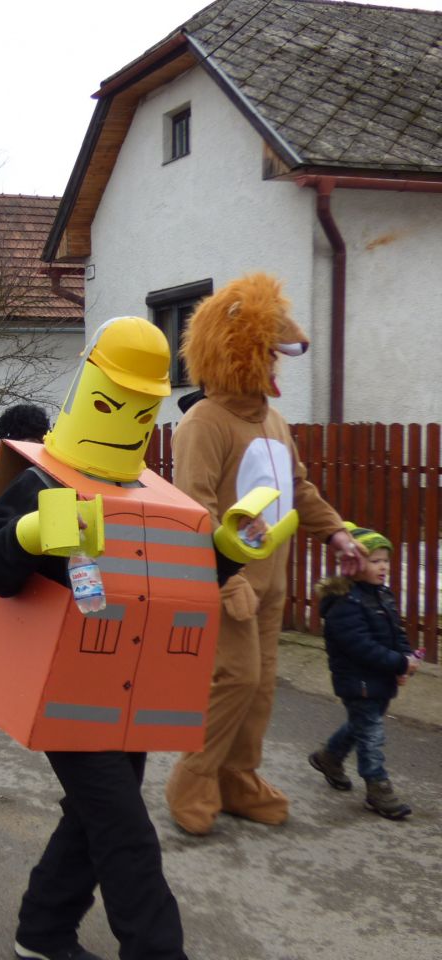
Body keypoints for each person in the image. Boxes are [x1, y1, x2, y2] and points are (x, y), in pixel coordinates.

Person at [0, 316, 292, 960]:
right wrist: (29, 535)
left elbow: (176, 580)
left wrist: (227, 551)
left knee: (95, 815)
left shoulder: (151, 493)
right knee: (127, 834)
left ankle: (42, 931)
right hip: (63, 692)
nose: (124, 416)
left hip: (124, 687)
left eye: (140, 406)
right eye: (111, 401)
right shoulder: (42, 478)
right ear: (87, 387)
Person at [164, 274, 364, 837]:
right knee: (236, 678)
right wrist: (226, 580)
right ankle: (193, 777)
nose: (277, 364)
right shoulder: (204, 422)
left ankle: (238, 776)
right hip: (231, 584)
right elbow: (195, 508)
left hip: (273, 582)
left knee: (262, 683)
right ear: (238, 352)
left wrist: (336, 534)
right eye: (269, 354)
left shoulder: (272, 420)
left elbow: (297, 488)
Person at [308, 523, 417, 820]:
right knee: (371, 734)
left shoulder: (382, 595)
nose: (383, 567)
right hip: (357, 681)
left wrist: (406, 658)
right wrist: (397, 663)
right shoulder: (345, 603)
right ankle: (377, 788)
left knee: (362, 725)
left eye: (385, 561)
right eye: (375, 561)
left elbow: (396, 632)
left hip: (380, 678)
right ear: (354, 563)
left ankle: (329, 757)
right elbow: (360, 647)